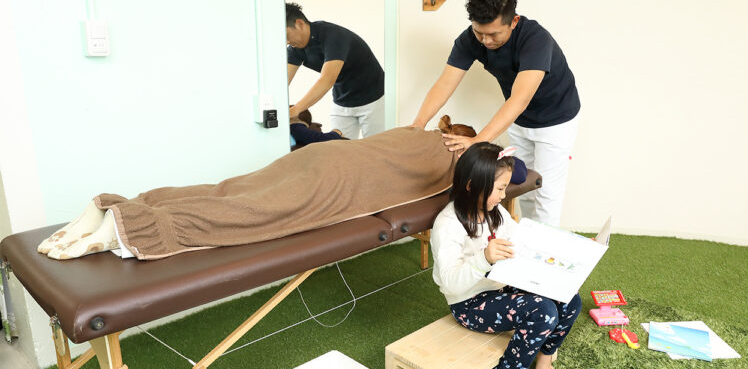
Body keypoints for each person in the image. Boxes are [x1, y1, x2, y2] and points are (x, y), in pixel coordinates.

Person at [37, 117, 476, 261]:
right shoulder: (450, 157)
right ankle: (130, 226)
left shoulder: (409, 130)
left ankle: (119, 206)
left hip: (322, 156)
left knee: (231, 188)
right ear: (462, 139)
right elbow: (495, 175)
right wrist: (471, 151)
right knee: (256, 211)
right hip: (337, 182)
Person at [412, 0, 580, 228]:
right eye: (479, 32)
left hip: (557, 120)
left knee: (546, 195)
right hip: (519, 120)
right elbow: (445, 83)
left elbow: (520, 98)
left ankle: (543, 250)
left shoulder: (535, 39)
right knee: (524, 188)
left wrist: (479, 140)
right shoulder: (470, 39)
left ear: (514, 22)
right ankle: (525, 244)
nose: (485, 40)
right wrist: (418, 124)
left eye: (493, 34)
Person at [430, 142, 581, 369]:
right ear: (471, 186)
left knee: (569, 297)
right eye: (500, 189)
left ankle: (544, 360)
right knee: (543, 311)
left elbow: (520, 241)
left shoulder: (495, 211)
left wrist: (569, 251)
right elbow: (451, 284)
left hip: (502, 285)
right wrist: (484, 258)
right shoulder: (448, 225)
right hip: (469, 303)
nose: (504, 195)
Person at [286, 3, 385, 139]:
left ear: (299, 24)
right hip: (342, 99)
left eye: (287, 35)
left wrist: (295, 110)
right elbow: (282, 83)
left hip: (373, 97)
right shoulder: (295, 48)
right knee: (338, 146)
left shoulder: (333, 36)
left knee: (375, 147)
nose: (286, 41)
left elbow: (327, 80)